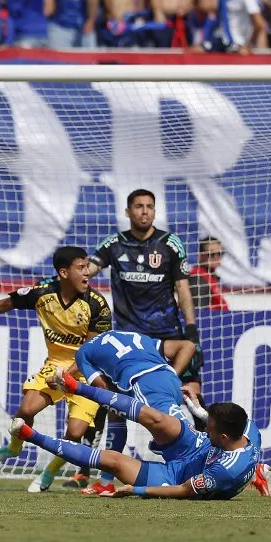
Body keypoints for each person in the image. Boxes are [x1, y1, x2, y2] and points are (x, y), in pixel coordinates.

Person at [0, 246, 111, 492]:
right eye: (81, 268)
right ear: (64, 273)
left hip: (86, 370)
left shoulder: (97, 304)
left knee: (75, 434)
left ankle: (49, 472)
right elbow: (5, 304)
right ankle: (13, 448)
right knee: (25, 409)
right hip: (55, 364)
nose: (88, 273)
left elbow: (91, 351)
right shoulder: (41, 292)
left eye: (88, 267)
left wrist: (67, 377)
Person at [87, 188, 200, 496]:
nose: (144, 212)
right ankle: (106, 479)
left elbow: (183, 289)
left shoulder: (170, 244)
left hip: (167, 336)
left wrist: (190, 328)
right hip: (131, 340)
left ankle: (205, 461)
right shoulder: (114, 244)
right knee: (116, 408)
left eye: (150, 206)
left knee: (189, 399)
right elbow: (86, 272)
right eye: (138, 206)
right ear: (128, 211)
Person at [13, 372, 265, 500]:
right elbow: (214, 426)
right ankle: (76, 386)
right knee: (156, 418)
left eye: (208, 427)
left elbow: (183, 491)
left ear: (223, 437)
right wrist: (198, 410)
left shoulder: (225, 472)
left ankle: (30, 435)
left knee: (113, 461)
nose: (204, 426)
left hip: (178, 477)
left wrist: (137, 490)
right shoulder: (247, 427)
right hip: (195, 449)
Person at [189, 236, 229, 310]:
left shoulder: (210, 277)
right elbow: (199, 313)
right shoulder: (198, 279)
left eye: (220, 253)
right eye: (211, 254)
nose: (216, 257)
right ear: (200, 256)